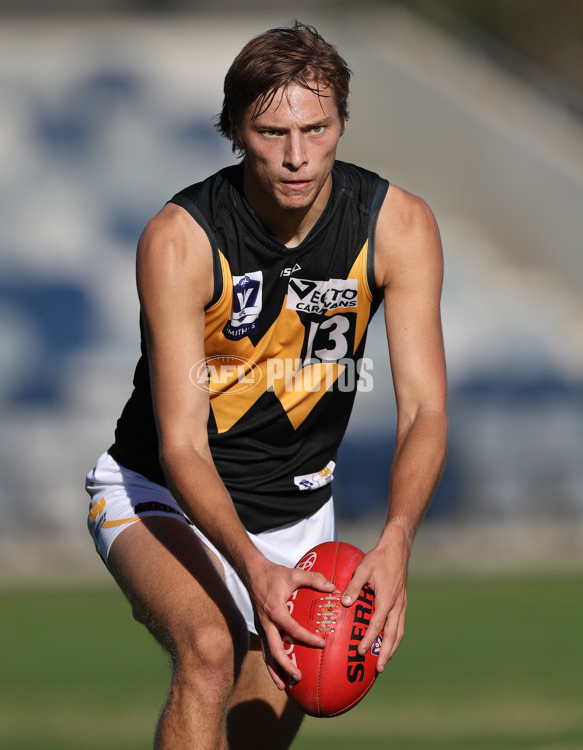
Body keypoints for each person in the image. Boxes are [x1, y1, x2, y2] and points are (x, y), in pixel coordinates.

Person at [86, 21, 447, 750]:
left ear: (342, 122)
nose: (296, 156)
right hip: (157, 490)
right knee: (210, 647)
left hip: (297, 515)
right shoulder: (180, 240)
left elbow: (426, 410)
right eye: (271, 131)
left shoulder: (398, 227)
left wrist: (398, 541)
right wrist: (252, 571)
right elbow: (183, 443)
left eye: (316, 128)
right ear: (233, 130)